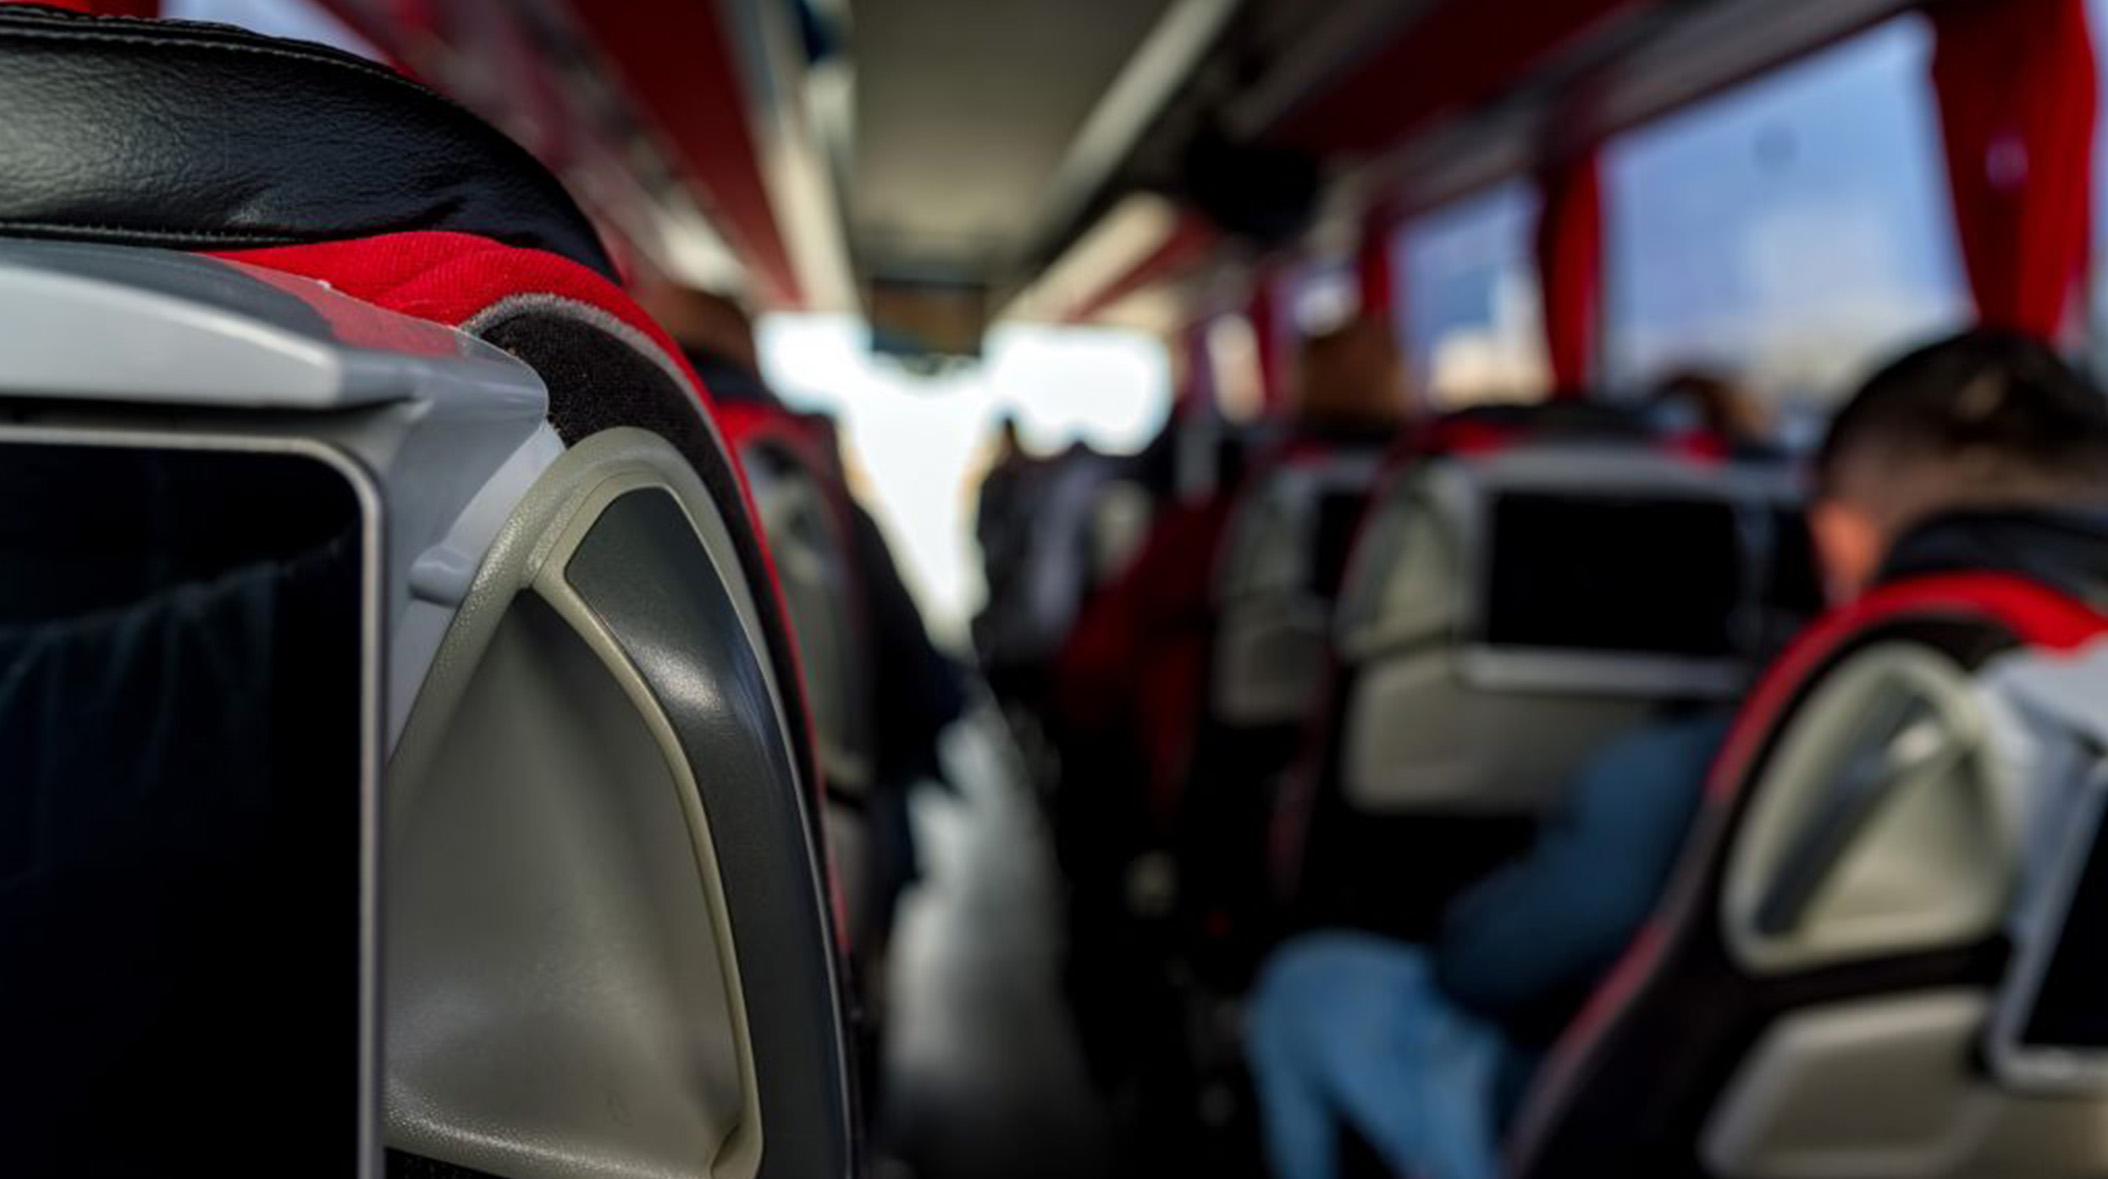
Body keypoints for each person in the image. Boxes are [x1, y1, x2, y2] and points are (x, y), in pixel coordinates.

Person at [1243, 329, 2108, 1179]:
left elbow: (1486, 969)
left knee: (1307, 983)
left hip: (1618, 1132)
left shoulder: (1703, 770)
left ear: (1836, 541)